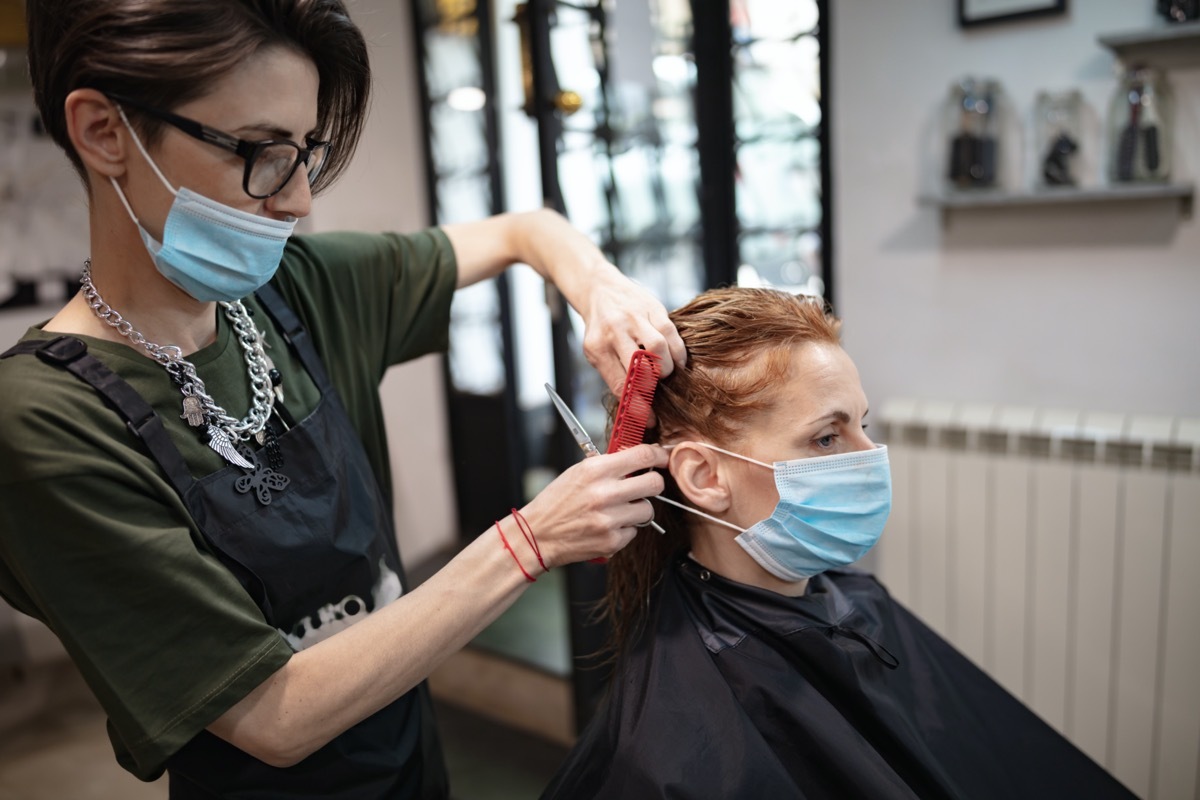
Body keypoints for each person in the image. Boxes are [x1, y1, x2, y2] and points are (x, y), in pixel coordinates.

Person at [0, 2, 684, 797]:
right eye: (259, 153)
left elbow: (524, 229)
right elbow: (271, 718)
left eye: (307, 154)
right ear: (103, 132)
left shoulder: (297, 295)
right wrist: (532, 541)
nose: (295, 201)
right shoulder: (43, 425)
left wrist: (598, 287)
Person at [540, 287, 1136, 800]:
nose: (869, 458)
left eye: (863, 424)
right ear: (703, 477)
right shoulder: (674, 742)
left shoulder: (848, 599)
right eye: (827, 438)